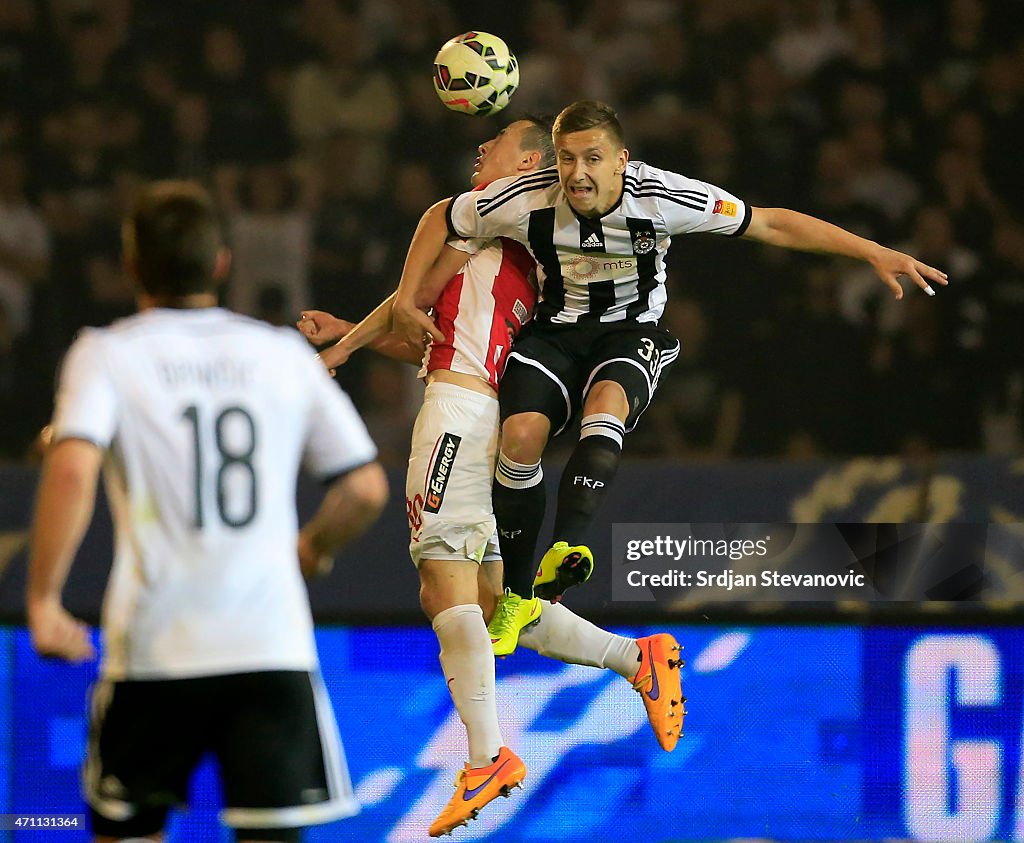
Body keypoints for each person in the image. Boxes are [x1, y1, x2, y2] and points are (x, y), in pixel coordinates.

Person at [392, 98, 948, 617]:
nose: (578, 173)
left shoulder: (663, 196)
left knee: (605, 408)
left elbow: (770, 222)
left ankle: (567, 548)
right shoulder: (529, 196)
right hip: (556, 333)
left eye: (593, 158)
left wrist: (873, 250)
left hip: (628, 333)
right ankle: (515, 596)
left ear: (622, 161)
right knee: (519, 439)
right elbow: (444, 216)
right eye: (567, 159)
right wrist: (406, 299)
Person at [298, 117, 685, 837]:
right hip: (475, 406)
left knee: (442, 579)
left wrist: (344, 348)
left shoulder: (484, 225)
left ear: (529, 162)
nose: (481, 150)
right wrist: (350, 335)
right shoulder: (528, 249)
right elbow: (426, 329)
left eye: (498, 143)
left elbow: (411, 308)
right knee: (488, 594)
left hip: (455, 412)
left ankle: (486, 756)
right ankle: (638, 658)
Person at [25, 180, 389, 843]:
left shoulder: (105, 352)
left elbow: (71, 463)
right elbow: (364, 488)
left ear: (132, 264)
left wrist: (45, 599)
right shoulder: (280, 353)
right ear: (223, 261)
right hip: (269, 647)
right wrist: (315, 546)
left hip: (155, 651)